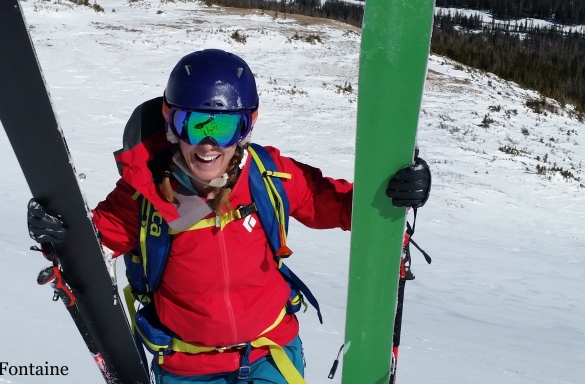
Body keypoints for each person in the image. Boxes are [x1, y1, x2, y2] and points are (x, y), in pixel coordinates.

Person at [27, 49, 431, 383]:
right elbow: (93, 243)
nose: (206, 144)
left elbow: (341, 206)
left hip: (272, 357)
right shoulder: (145, 194)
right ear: (171, 122)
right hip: (188, 369)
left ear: (246, 127)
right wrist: (57, 233)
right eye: (194, 123)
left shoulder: (270, 176)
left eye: (223, 128)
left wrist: (399, 191)